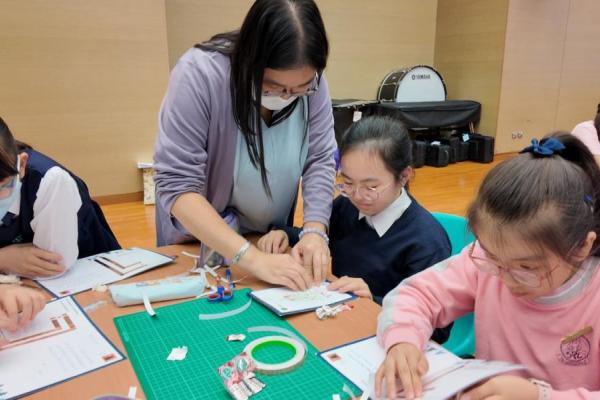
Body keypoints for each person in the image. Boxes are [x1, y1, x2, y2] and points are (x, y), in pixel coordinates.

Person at [375, 133, 600, 400]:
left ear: (581, 247)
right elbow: (415, 294)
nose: (506, 279)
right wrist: (403, 340)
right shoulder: (486, 263)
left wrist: (540, 396)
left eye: (526, 268)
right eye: (492, 257)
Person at [153, 0, 336, 291]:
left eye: (299, 89)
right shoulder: (200, 74)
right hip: (201, 243)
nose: (287, 96)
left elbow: (320, 158)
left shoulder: (312, 83)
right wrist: (250, 259)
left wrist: (315, 230)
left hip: (267, 242)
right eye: (273, 86)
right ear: (251, 59)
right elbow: (177, 185)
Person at [258, 116, 451, 305]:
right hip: (340, 311)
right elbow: (318, 238)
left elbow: (436, 321)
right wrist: (284, 234)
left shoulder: (427, 242)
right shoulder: (347, 207)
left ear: (403, 176)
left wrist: (373, 301)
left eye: (371, 186)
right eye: (348, 183)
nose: (357, 196)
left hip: (382, 323)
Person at [0, 117, 120, 279]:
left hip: (86, 273)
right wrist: (4, 259)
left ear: (21, 164)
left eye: (1, 186)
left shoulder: (51, 181)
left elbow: (52, 266)